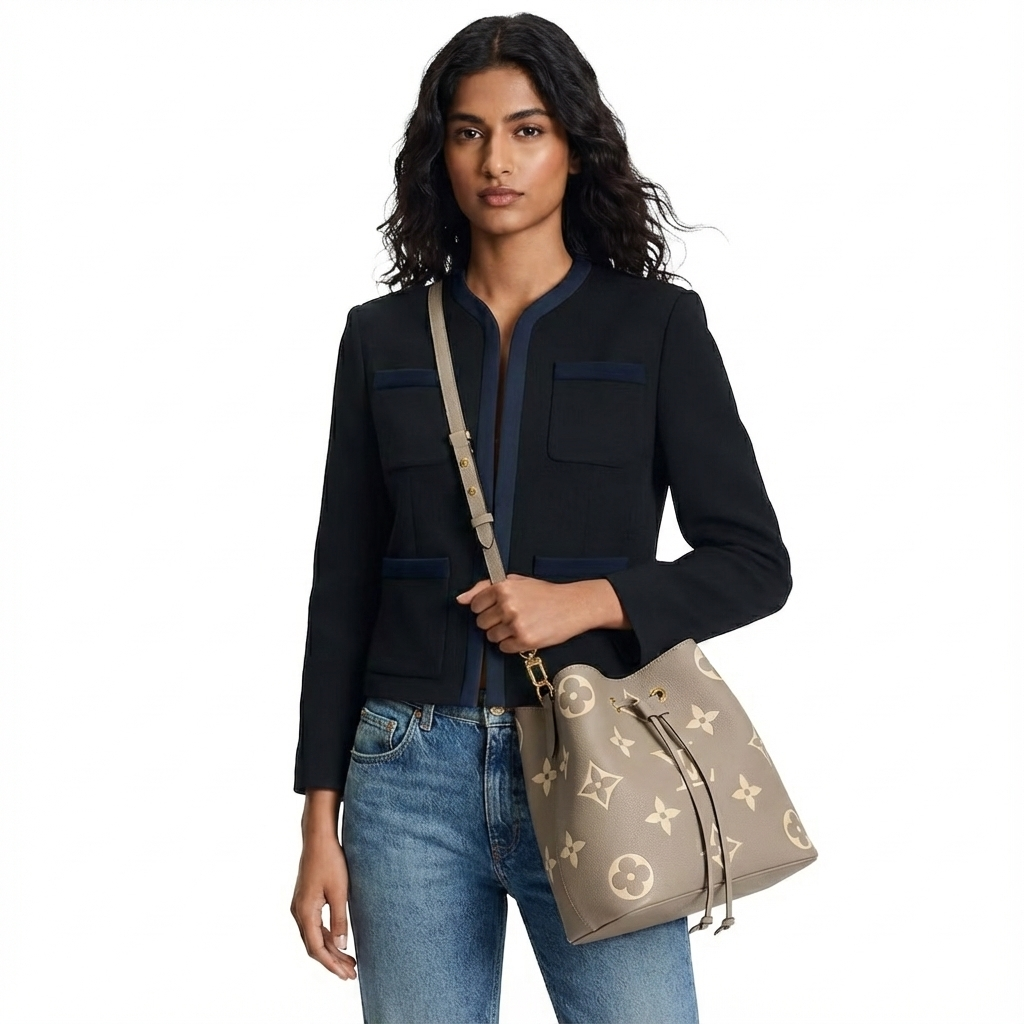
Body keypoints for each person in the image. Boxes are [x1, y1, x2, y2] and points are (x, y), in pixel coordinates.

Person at [289, 13, 791, 1024]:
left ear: (573, 145)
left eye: (526, 130)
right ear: (439, 154)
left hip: (597, 759)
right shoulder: (381, 337)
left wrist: (588, 602)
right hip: (404, 775)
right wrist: (317, 823)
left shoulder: (655, 326)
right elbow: (340, 584)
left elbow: (753, 561)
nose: (496, 161)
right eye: (468, 132)